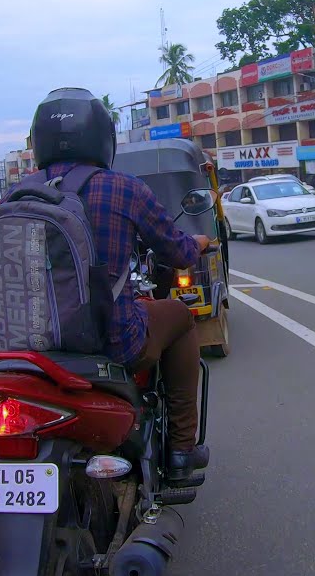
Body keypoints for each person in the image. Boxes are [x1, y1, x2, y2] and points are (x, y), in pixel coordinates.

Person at [30, 87, 211, 480]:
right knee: (180, 316)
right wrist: (198, 243)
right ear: (102, 138)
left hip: (29, 347)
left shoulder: (17, 194)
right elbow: (177, 252)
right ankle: (182, 450)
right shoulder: (123, 188)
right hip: (111, 341)